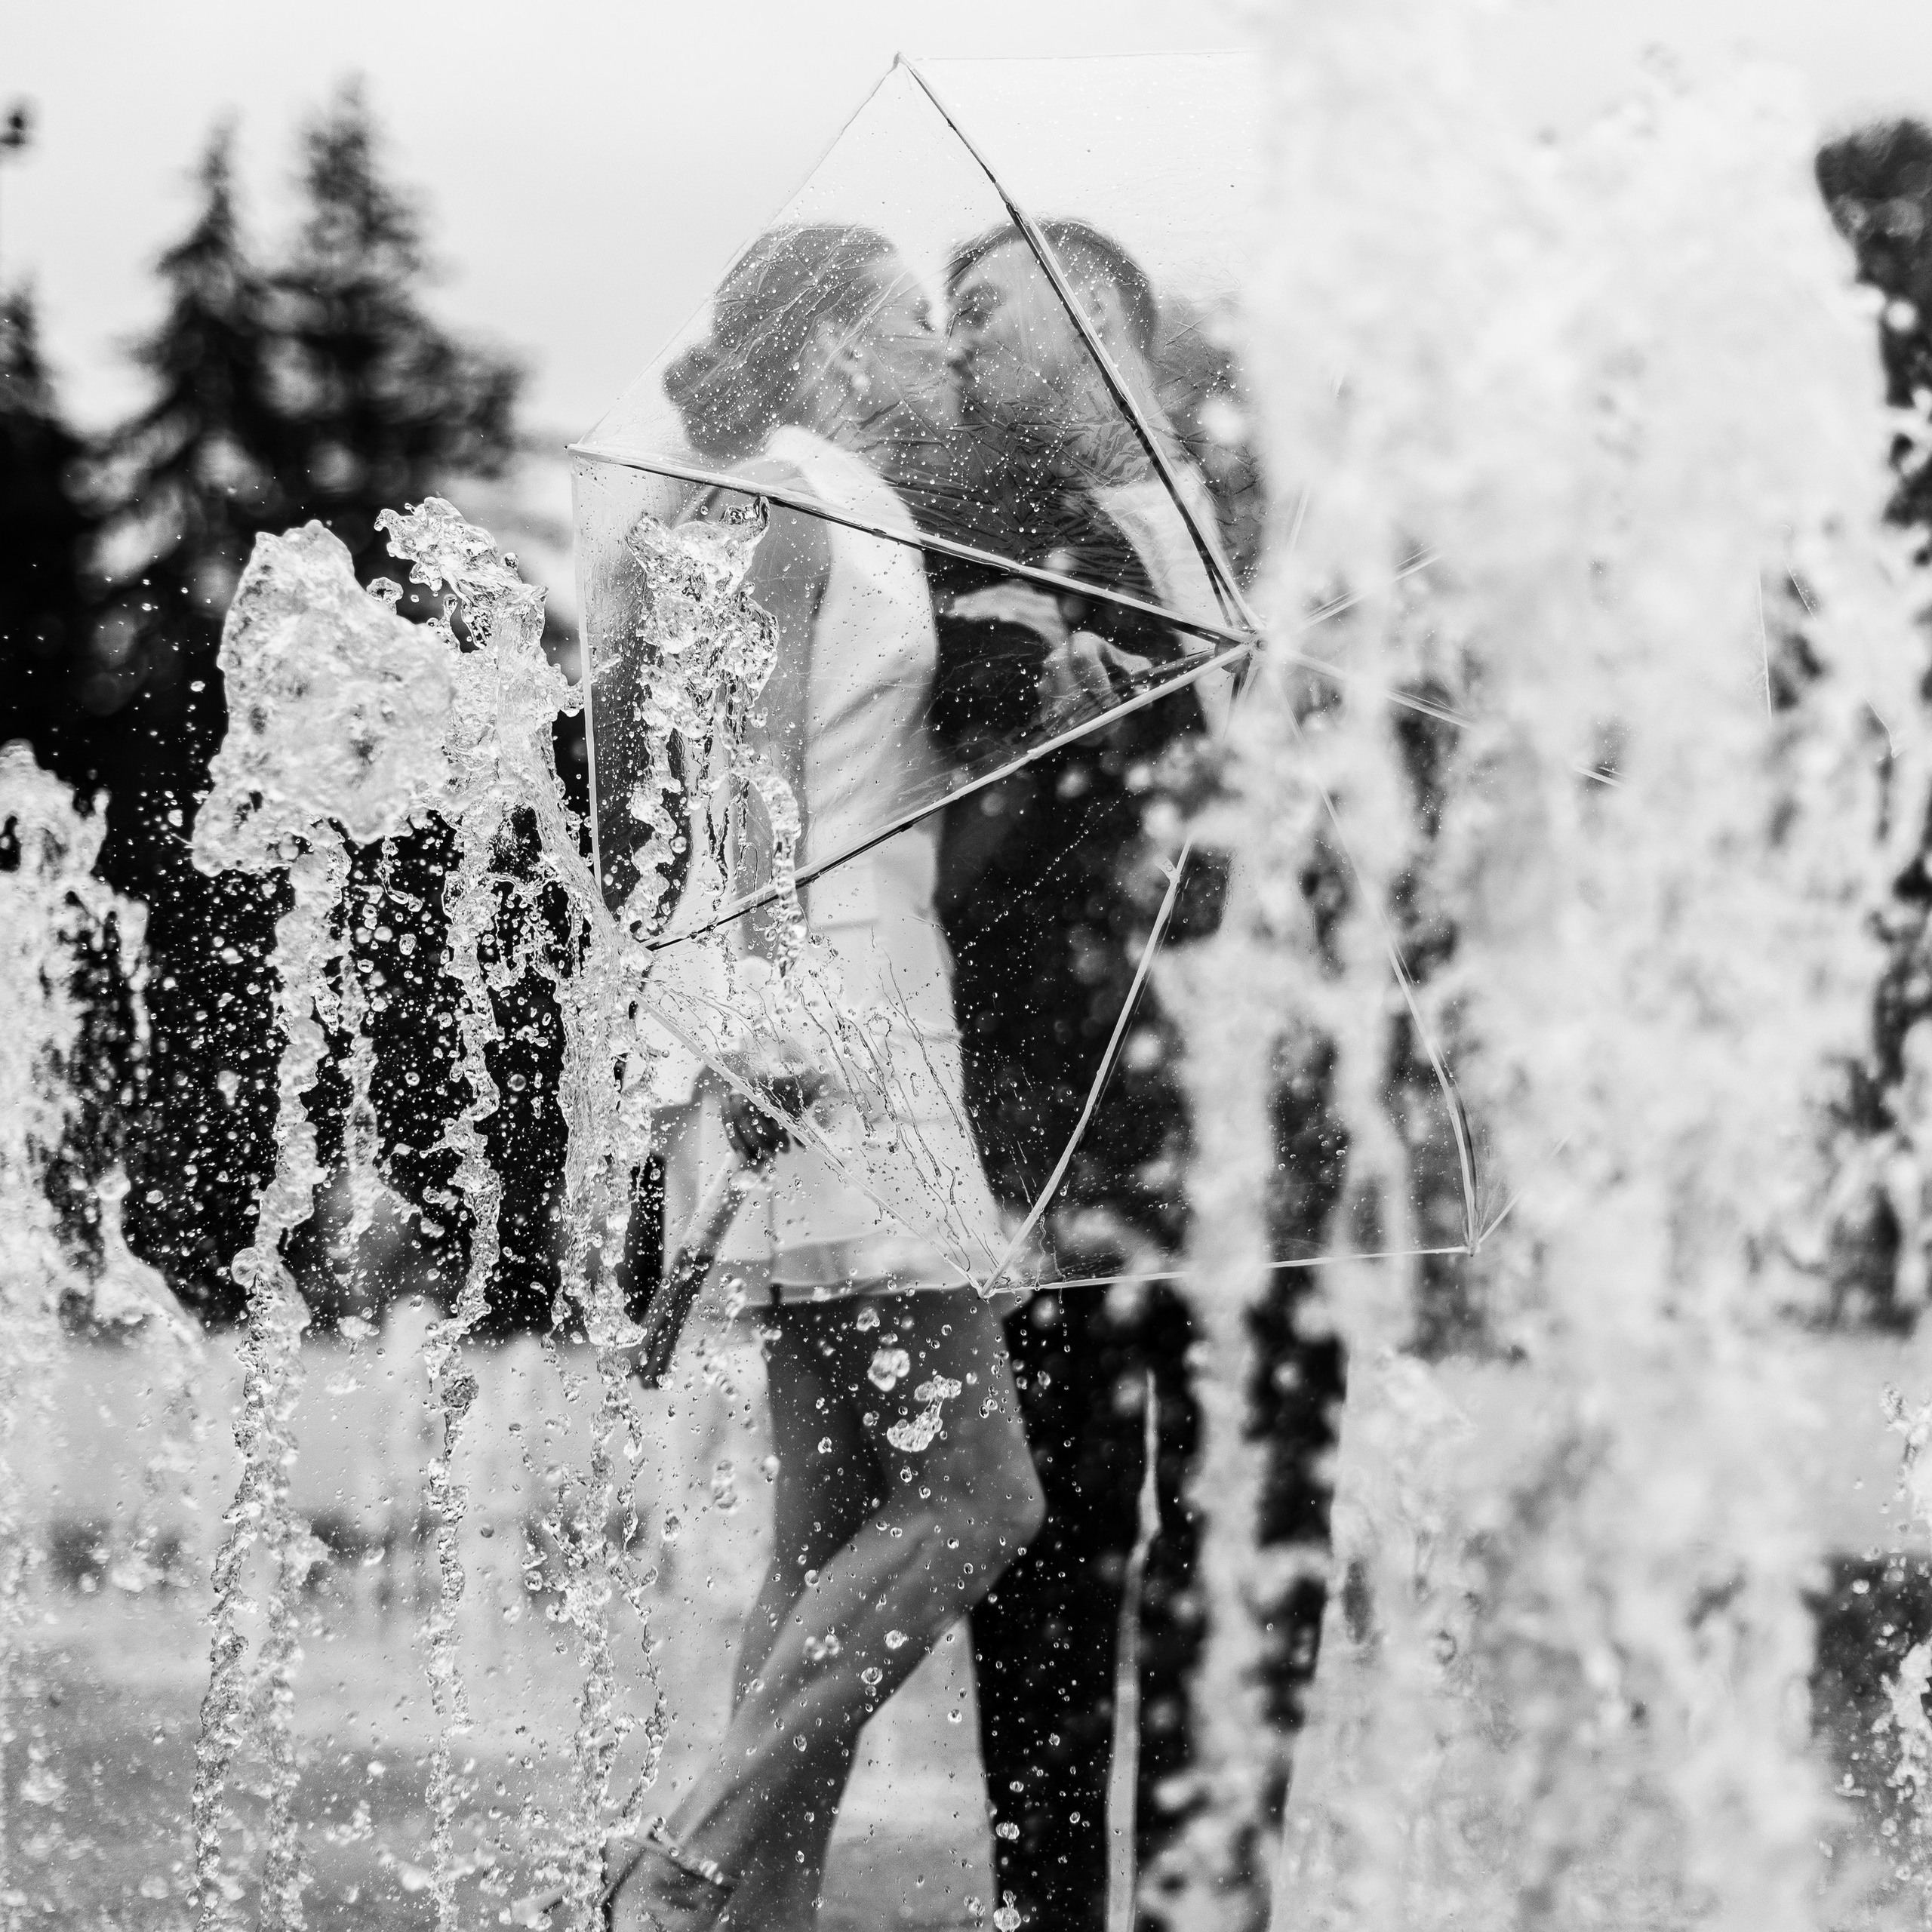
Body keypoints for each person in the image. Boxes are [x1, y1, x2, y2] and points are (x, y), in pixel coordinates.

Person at [603, 223, 1045, 1932]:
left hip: (859, 1010)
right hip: (837, 1034)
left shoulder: (854, 505)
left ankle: (743, 1920)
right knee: (977, 1492)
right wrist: (775, 1022)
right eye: (911, 321)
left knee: (823, 1521)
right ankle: (689, 1849)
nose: (939, 351)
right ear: (836, 346)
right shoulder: (790, 498)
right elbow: (738, 781)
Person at [924, 220, 1233, 1932]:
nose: (955, 343)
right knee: (1050, 1575)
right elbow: (942, 836)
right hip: (1055, 1130)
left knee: (1249, 1573)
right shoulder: (966, 528)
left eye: (980, 305)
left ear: (1097, 303)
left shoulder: (1287, 530)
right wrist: (1052, 730)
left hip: (1278, 1134)